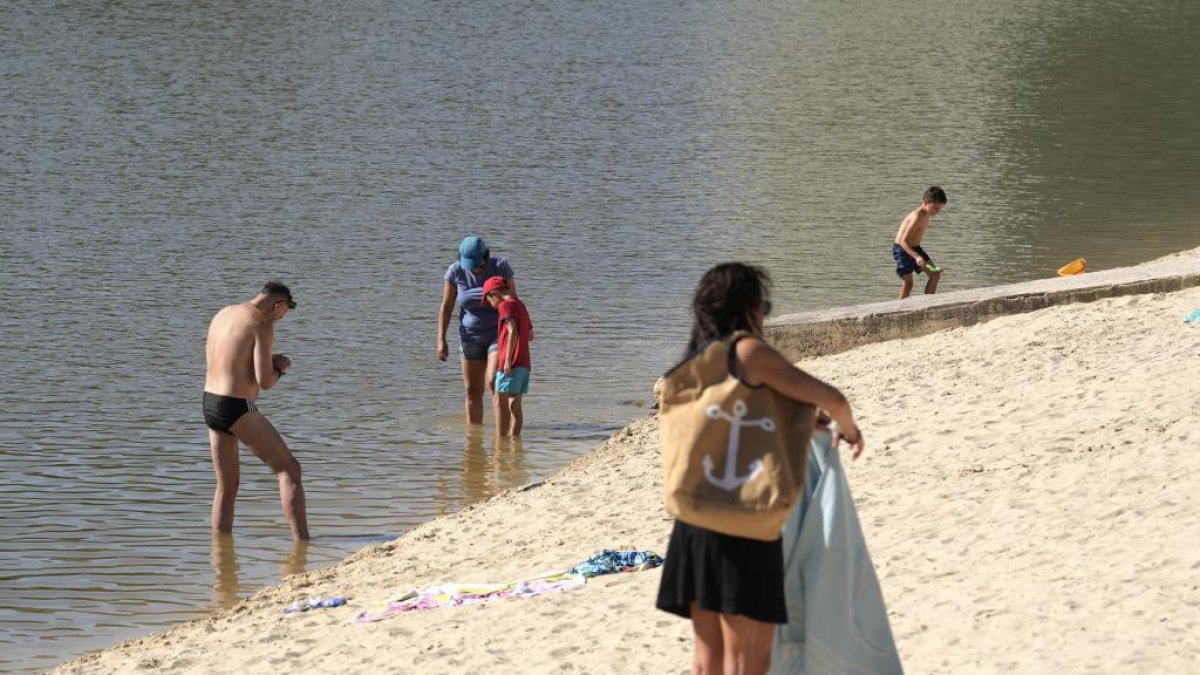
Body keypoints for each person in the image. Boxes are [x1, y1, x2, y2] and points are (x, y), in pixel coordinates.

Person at [656, 263, 865, 675]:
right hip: (745, 524)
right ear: (747, 308)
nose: (764, 316)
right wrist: (850, 430)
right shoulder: (748, 350)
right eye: (762, 306)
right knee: (748, 659)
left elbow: (740, 412)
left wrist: (807, 421)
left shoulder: (699, 357)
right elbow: (831, 397)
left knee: (706, 661)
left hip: (696, 519)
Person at [203, 281, 309, 541]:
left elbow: (232, 360)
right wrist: (279, 369)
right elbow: (265, 382)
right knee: (289, 470)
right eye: (284, 313)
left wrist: (267, 362)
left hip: (210, 403)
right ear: (278, 305)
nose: (281, 319)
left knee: (226, 486)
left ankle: (221, 558)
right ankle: (303, 543)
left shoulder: (225, 313)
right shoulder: (262, 323)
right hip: (237, 406)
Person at [437, 236, 516, 425]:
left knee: (493, 383)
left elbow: (514, 303)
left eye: (478, 266)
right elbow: (446, 307)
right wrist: (441, 339)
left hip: (497, 333)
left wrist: (521, 331)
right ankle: (474, 443)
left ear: (486, 258)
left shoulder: (501, 267)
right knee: (472, 391)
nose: (474, 270)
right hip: (470, 336)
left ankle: (501, 441)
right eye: (469, 265)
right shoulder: (455, 271)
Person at [482, 276, 533, 437]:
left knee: (501, 402)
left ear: (494, 293)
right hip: (524, 362)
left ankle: (500, 441)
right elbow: (530, 335)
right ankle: (514, 442)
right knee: (515, 405)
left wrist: (508, 360)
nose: (491, 305)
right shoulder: (521, 305)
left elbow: (513, 331)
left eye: (489, 300)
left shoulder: (504, 305)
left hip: (510, 363)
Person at [892, 185, 947, 299]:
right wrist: (917, 257)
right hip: (902, 249)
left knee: (935, 275)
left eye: (940, 209)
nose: (937, 212)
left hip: (915, 248)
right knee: (909, 283)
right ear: (926, 202)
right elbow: (903, 241)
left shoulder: (927, 214)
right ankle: (900, 310)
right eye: (935, 208)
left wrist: (917, 255)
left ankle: (927, 305)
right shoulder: (917, 216)